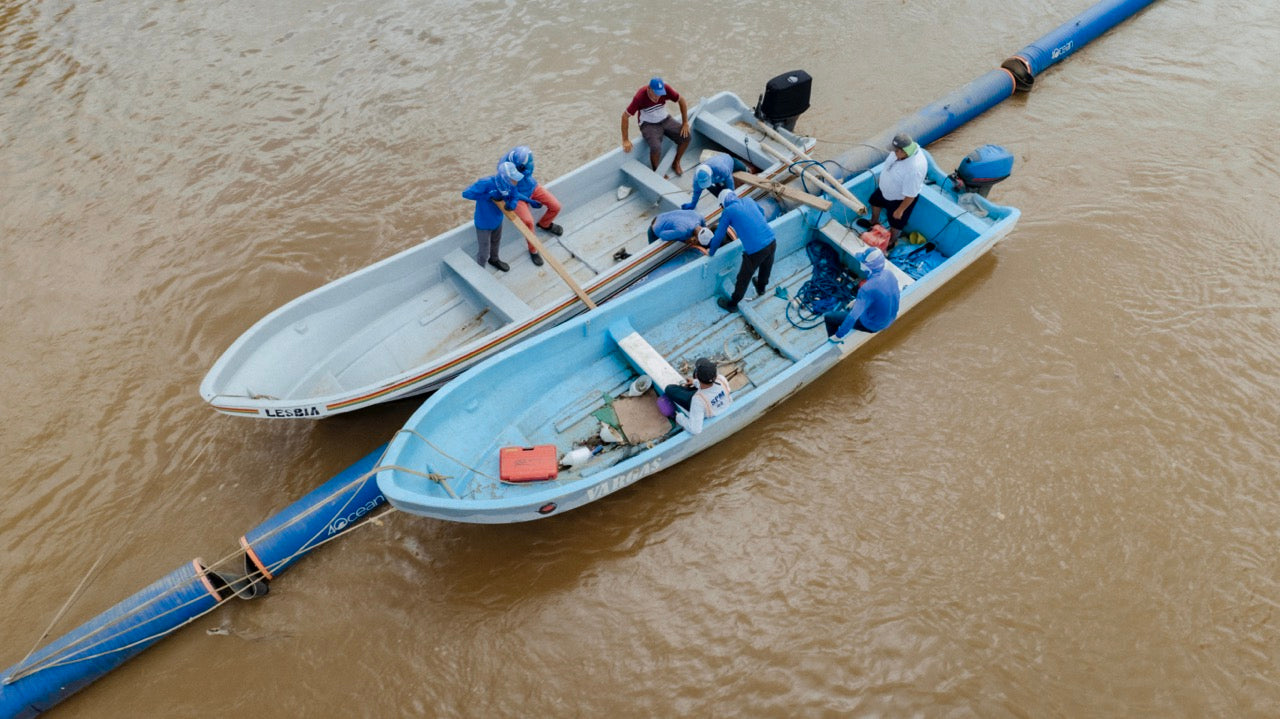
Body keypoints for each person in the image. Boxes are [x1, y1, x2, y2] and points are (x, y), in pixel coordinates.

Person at [707, 190, 776, 312]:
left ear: (723, 205)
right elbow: (761, 212)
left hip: (755, 250)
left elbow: (719, 235)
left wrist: (711, 252)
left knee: (743, 278)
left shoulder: (728, 212)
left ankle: (733, 304)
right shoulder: (748, 200)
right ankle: (761, 288)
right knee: (766, 266)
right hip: (771, 240)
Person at [461, 161, 532, 271]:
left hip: (498, 220)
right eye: (513, 179)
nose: (516, 181)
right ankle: (480, 268)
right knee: (484, 251)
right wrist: (486, 196)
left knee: (496, 242)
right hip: (483, 223)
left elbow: (514, 196)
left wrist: (512, 205)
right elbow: (466, 193)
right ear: (505, 178)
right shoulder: (485, 183)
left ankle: (494, 259)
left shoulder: (511, 186)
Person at [499, 145, 562, 268]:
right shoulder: (505, 169)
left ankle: (545, 224)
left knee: (556, 206)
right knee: (528, 222)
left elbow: (528, 175)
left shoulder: (526, 162)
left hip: (532, 188)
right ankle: (533, 250)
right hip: (518, 196)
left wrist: (526, 174)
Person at [867, 132, 928, 250]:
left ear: (904, 152)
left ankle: (891, 241)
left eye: (896, 151)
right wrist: (883, 179)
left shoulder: (915, 169)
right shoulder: (899, 153)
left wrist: (900, 210)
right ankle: (874, 222)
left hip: (899, 199)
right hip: (885, 190)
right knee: (874, 201)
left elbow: (911, 195)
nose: (894, 152)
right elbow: (889, 165)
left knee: (896, 222)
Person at [824, 247, 900, 341]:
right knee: (854, 307)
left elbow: (853, 317)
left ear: (868, 266)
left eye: (863, 262)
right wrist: (857, 301)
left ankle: (833, 339)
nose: (861, 264)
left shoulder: (866, 289)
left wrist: (839, 335)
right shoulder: (889, 274)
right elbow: (892, 295)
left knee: (829, 317)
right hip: (890, 318)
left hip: (873, 325)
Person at [621, 76, 691, 175]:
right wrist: (625, 140)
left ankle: (676, 162)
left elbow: (681, 100)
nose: (657, 97)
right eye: (655, 94)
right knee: (655, 147)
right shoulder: (640, 96)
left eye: (660, 94)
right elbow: (625, 116)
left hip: (665, 119)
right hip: (648, 124)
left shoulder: (666, 89)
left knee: (686, 137)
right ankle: (657, 171)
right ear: (649, 89)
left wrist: (685, 122)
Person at [663, 357, 733, 435]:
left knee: (669, 389)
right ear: (715, 375)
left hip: (704, 406)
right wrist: (694, 382)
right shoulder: (721, 379)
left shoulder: (697, 400)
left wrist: (679, 417)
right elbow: (708, 386)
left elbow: (696, 430)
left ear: (696, 376)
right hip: (720, 405)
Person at [647, 209, 713, 247]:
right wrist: (685, 239)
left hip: (663, 216)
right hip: (654, 229)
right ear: (697, 239)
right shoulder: (682, 231)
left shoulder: (700, 217)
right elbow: (662, 235)